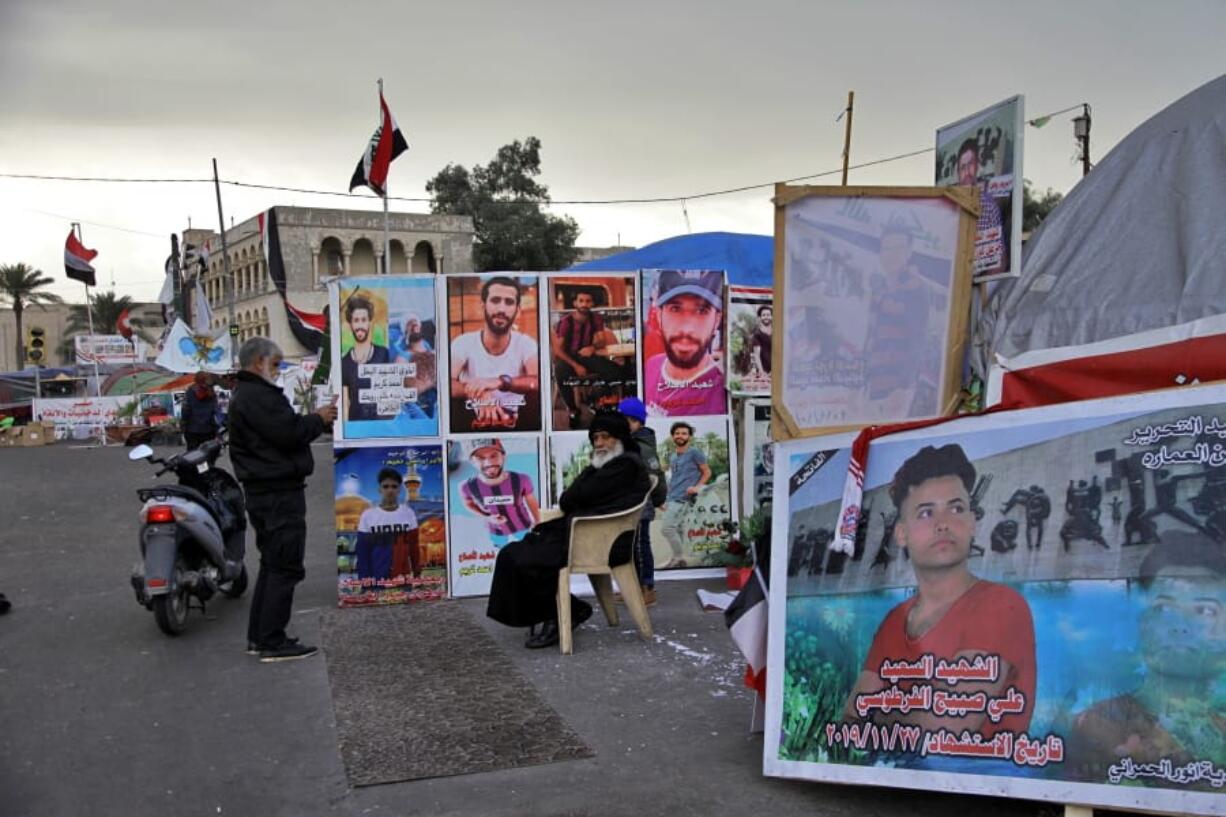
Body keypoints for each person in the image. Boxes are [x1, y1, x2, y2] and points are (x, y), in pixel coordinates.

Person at [844, 444, 1036, 737]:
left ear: (972, 522)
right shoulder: (895, 620)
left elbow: (948, 725)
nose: (943, 524)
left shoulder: (1000, 604)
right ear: (902, 534)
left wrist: (879, 709)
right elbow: (851, 720)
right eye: (925, 513)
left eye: (956, 508)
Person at [1067, 541, 1226, 786]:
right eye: (1164, 608)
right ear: (1142, 622)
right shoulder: (1097, 725)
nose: (1180, 626)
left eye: (1204, 610)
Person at [486, 412, 649, 649]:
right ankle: (564, 610)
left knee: (522, 559)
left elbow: (577, 496)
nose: (599, 444)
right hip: (584, 535)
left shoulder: (625, 464)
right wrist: (580, 487)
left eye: (606, 437)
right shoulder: (606, 463)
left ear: (620, 438)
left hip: (601, 542)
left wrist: (576, 493)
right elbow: (571, 498)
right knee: (513, 553)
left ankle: (563, 613)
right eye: (595, 438)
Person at [227, 337, 337, 663]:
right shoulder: (257, 395)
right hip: (276, 494)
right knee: (285, 567)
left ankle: (260, 637)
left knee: (273, 565)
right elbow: (288, 433)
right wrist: (317, 419)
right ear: (259, 362)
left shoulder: (248, 394)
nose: (276, 372)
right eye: (274, 365)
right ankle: (272, 641)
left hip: (268, 492)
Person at [450, 276, 540, 430]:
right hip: (472, 418)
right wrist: (480, 394)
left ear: (518, 311)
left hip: (514, 420)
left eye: (509, 302)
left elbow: (537, 381)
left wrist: (501, 382)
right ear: (482, 306)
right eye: (495, 300)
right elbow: (447, 383)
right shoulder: (463, 342)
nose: (501, 309)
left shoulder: (526, 344)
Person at [863, 225, 931, 417]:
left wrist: (905, 385)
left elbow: (918, 339)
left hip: (900, 391)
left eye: (898, 249)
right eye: (887, 249)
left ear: (909, 252)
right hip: (876, 387)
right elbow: (871, 337)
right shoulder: (880, 290)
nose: (891, 255)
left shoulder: (916, 288)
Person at [643, 270, 727, 416]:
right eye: (675, 309)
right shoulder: (651, 366)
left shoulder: (722, 388)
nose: (687, 329)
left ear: (717, 320)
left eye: (702, 311)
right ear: (658, 315)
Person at [552, 291, 630, 429]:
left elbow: (600, 341)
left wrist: (592, 348)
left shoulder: (596, 319)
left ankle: (602, 404)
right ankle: (573, 410)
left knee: (615, 371)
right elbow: (557, 350)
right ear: (575, 303)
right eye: (581, 301)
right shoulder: (566, 322)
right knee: (560, 371)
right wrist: (575, 365)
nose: (584, 304)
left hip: (587, 355)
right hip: (568, 357)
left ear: (592, 303)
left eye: (588, 301)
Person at [617, 397, 668, 606]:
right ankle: (633, 588)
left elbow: (656, 478)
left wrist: (655, 500)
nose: (627, 424)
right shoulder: (629, 444)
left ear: (640, 423)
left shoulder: (641, 447)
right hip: (629, 505)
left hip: (640, 506)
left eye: (632, 420)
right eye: (623, 419)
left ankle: (647, 588)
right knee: (631, 548)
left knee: (640, 547)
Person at [458, 438, 541, 548]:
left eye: (494, 456)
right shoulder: (466, 486)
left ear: (504, 457)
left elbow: (531, 501)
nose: (489, 463)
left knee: (526, 550)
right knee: (501, 552)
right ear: (472, 462)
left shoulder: (522, 479)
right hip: (495, 531)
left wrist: (539, 522)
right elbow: (468, 503)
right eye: (480, 458)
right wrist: (487, 517)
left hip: (523, 526)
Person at [659, 421, 711, 569]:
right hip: (672, 497)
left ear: (689, 436)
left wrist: (697, 487)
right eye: (677, 433)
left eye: (684, 433)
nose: (680, 436)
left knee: (667, 528)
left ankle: (678, 557)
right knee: (678, 529)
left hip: (683, 498)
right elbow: (674, 478)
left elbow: (707, 472)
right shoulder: (674, 456)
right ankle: (680, 561)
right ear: (672, 436)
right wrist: (666, 498)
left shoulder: (694, 452)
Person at [356, 467, 421, 581]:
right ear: (379, 489)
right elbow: (363, 553)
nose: (390, 490)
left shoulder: (408, 513)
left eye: (394, 486)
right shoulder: (368, 516)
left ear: (399, 490)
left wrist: (417, 574)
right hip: (377, 580)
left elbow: (414, 548)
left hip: (403, 580)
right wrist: (365, 582)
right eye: (385, 486)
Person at [956, 138, 1006, 276]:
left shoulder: (987, 205)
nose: (967, 172)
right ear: (957, 172)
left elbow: (998, 262)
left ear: (977, 166)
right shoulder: (948, 205)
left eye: (970, 164)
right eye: (962, 167)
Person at [340, 293, 392, 422]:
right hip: (356, 428)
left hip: (381, 427)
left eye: (363, 320)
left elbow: (391, 393)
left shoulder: (383, 354)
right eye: (356, 321)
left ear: (370, 322)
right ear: (350, 324)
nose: (360, 326)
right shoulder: (344, 362)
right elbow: (345, 402)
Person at [181, 371, 221, 450]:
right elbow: (216, 410)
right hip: (209, 429)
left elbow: (186, 409)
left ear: (196, 379)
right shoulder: (211, 391)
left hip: (192, 429)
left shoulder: (190, 391)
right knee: (208, 453)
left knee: (193, 454)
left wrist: (183, 423)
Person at [749, 305, 773, 378]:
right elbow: (757, 355)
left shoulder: (778, 333)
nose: (766, 317)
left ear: (772, 316)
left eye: (768, 315)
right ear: (760, 318)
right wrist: (762, 372)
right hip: (763, 373)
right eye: (764, 315)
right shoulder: (757, 335)